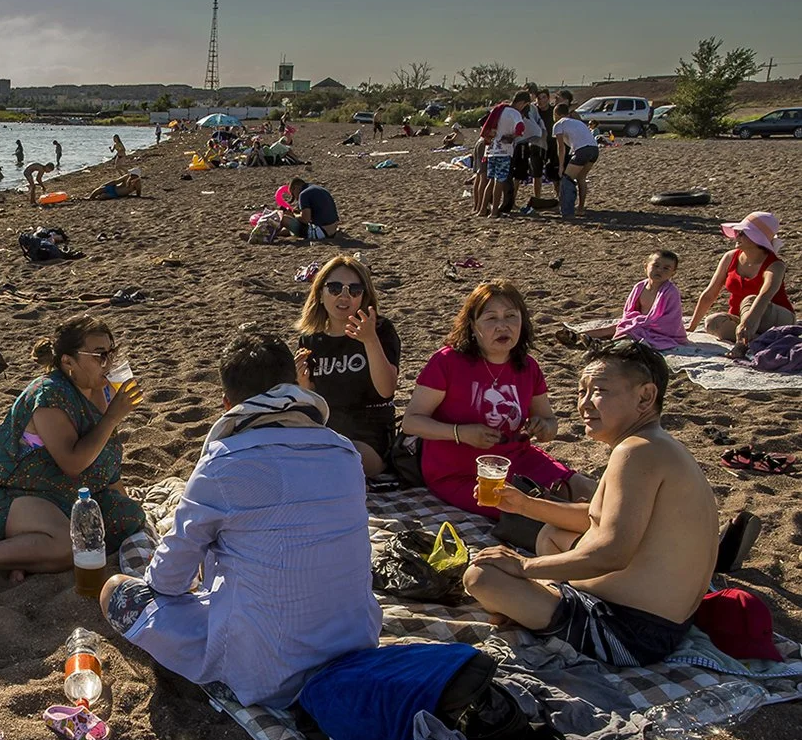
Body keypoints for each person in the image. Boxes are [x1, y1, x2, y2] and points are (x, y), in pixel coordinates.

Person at [96, 326, 379, 707]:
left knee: (117, 591)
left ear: (227, 403)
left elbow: (167, 581)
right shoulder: (344, 453)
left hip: (269, 673)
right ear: (293, 385)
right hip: (355, 648)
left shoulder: (224, 465)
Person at [464, 341, 716, 666]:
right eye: (581, 391)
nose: (584, 404)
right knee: (552, 533)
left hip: (629, 633)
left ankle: (540, 606)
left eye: (598, 390)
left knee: (481, 577)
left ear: (645, 397)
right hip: (664, 621)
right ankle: (540, 602)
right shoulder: (653, 444)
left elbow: (612, 553)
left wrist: (524, 568)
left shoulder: (635, 452)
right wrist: (524, 504)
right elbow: (595, 517)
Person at [0, 316, 146, 593]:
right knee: (73, 547)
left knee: (128, 517)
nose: (108, 362)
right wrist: (113, 418)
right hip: (16, 492)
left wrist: (121, 499)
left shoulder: (99, 389)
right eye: (99, 355)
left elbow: (104, 456)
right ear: (68, 362)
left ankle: (24, 556)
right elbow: (73, 463)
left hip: (69, 494)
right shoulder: (49, 395)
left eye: (111, 353)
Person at [402, 281, 575, 518]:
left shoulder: (527, 366)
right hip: (459, 472)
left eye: (511, 316)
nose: (502, 326)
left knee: (586, 490)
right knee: (539, 514)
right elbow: (411, 422)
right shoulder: (447, 362)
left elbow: (549, 422)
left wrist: (543, 428)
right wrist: (460, 433)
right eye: (491, 318)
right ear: (473, 326)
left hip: (518, 460)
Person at [294, 255, 400, 475]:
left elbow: (386, 390)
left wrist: (370, 341)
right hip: (326, 430)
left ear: (363, 296)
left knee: (341, 456)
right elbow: (313, 403)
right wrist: (303, 384)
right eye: (334, 288)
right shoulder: (311, 339)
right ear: (320, 294)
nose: (344, 296)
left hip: (368, 435)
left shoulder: (380, 330)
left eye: (354, 290)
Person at [687, 211, 793, 349]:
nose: (737, 236)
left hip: (772, 317)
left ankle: (746, 340)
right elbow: (710, 293)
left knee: (750, 300)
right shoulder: (730, 257)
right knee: (712, 322)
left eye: (743, 233)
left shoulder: (775, 265)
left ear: (757, 238)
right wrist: (692, 326)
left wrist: (747, 323)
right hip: (740, 317)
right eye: (737, 232)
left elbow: (765, 296)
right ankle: (759, 341)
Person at [559, 251, 688, 350]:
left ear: (673, 273)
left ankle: (604, 346)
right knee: (613, 328)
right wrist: (634, 321)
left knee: (629, 334)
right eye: (656, 265)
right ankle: (577, 336)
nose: (659, 270)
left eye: (666, 268)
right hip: (640, 324)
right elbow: (629, 311)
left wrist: (639, 322)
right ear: (646, 266)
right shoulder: (639, 287)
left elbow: (671, 321)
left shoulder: (670, 292)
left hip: (660, 331)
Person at [479, 91, 530, 216]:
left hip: (491, 149)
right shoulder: (514, 113)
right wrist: (513, 136)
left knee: (490, 180)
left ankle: (482, 209)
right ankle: (495, 211)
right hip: (504, 150)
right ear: (522, 103)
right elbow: (520, 127)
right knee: (499, 180)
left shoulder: (498, 109)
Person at [552, 103, 598, 219]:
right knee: (581, 178)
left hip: (582, 150)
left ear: (556, 114)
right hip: (594, 149)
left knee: (567, 178)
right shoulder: (578, 122)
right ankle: (581, 208)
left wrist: (561, 166)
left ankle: (567, 211)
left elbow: (561, 147)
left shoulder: (558, 124)